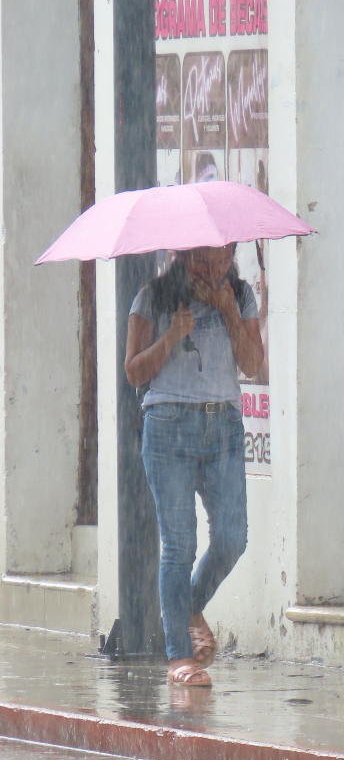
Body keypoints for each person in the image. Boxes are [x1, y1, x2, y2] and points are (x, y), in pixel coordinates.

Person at [124, 245, 264, 687]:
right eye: (203, 261)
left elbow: (253, 363)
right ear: (182, 256)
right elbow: (133, 371)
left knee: (232, 537)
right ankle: (178, 658)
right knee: (179, 543)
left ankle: (189, 605)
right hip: (168, 425)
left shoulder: (239, 296)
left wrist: (227, 310)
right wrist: (170, 336)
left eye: (223, 260)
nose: (214, 270)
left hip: (221, 424)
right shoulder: (153, 297)